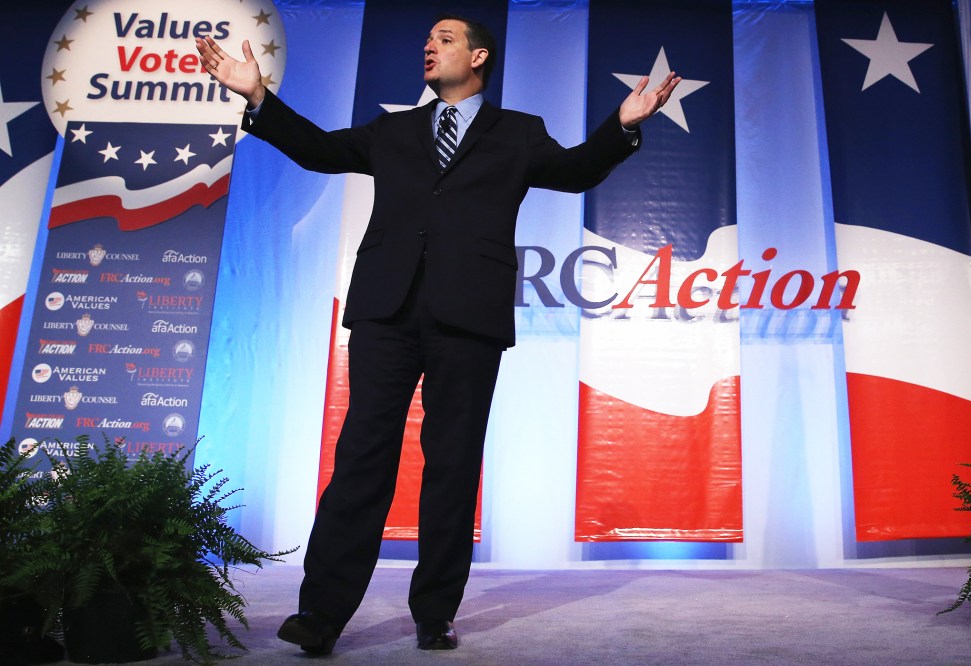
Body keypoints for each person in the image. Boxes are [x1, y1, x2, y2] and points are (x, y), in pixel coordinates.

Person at [195, 14, 679, 655]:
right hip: (386, 312)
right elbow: (319, 151)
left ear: (478, 57)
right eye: (426, 38)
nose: (429, 45)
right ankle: (321, 614)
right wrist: (258, 96)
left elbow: (575, 171)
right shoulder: (393, 129)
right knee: (362, 457)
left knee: (452, 464)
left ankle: (434, 612)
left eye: (445, 39)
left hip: (469, 316)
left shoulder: (519, 132)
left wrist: (623, 125)